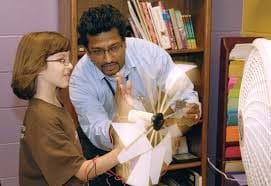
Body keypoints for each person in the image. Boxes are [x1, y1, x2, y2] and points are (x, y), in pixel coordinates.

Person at [69, 4, 201, 184]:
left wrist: (187, 110)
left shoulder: (151, 55)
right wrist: (123, 128)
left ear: (125, 42)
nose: (107, 59)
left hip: (154, 138)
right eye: (98, 51)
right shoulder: (80, 78)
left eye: (114, 47)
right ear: (86, 50)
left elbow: (182, 95)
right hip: (105, 151)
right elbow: (96, 129)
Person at [11, 31, 122, 186]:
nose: (70, 65)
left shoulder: (54, 104)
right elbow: (83, 172)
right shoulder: (42, 118)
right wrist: (122, 151)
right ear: (37, 65)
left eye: (68, 59)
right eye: (61, 60)